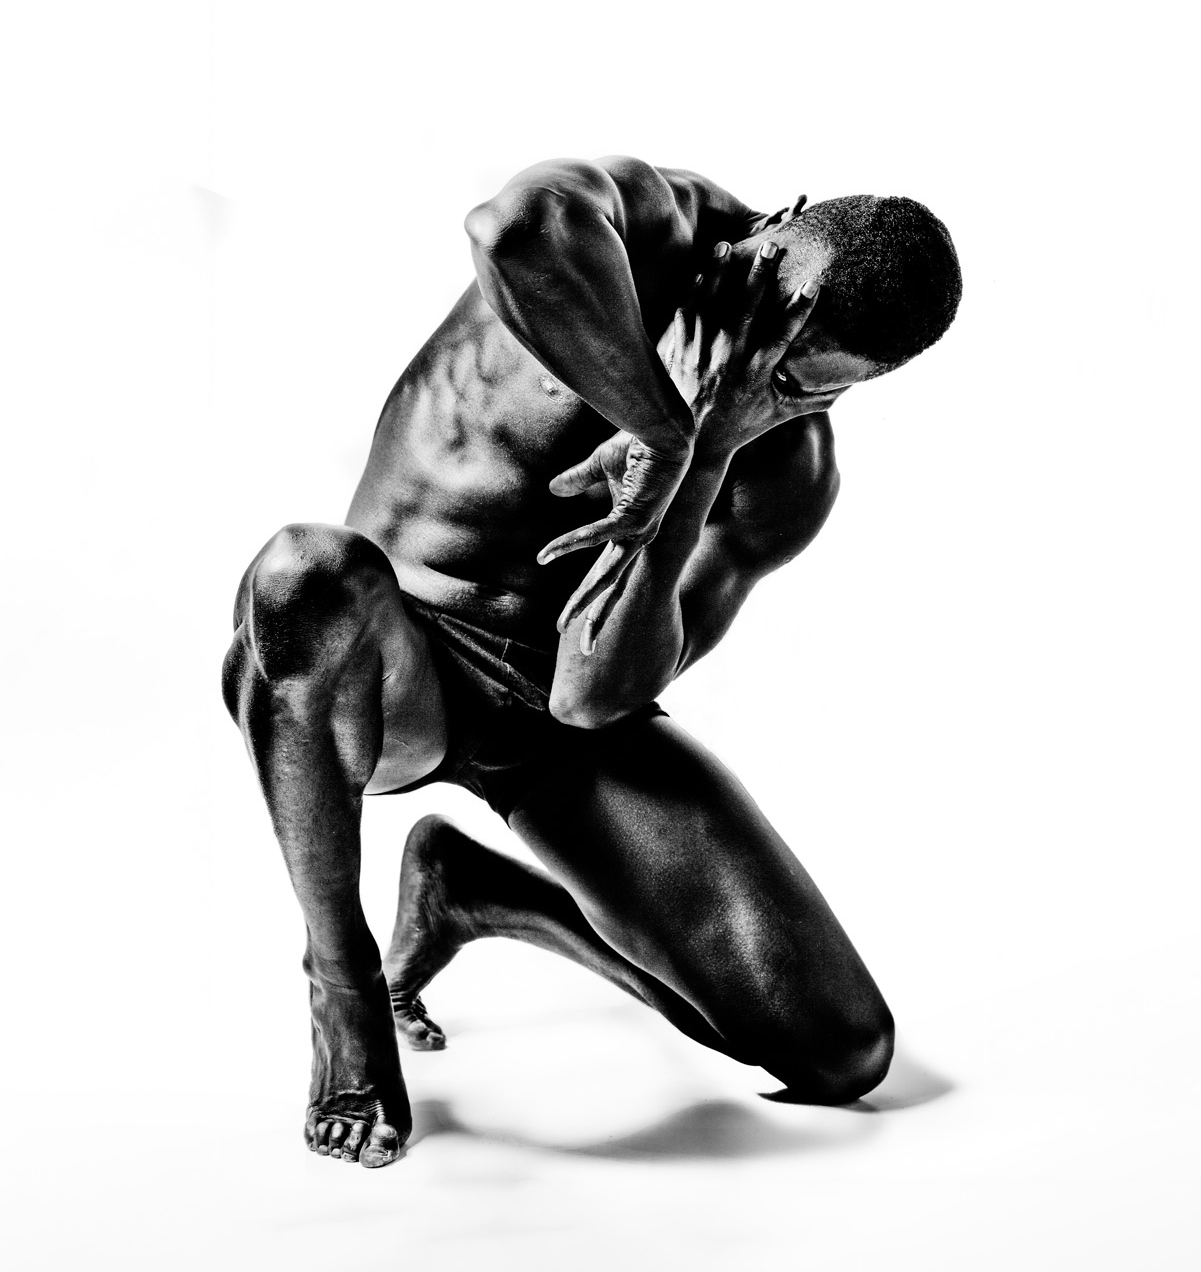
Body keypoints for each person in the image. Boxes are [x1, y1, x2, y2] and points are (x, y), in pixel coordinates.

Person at [222, 156, 962, 1169]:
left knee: (838, 1048)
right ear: (770, 226)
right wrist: (661, 419)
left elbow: (585, 695)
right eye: (767, 317)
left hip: (545, 721)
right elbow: (508, 234)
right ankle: (343, 980)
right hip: (382, 674)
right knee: (303, 571)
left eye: (794, 381)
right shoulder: (645, 226)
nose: (758, 368)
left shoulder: (784, 474)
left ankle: (474, 892)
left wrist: (695, 462)